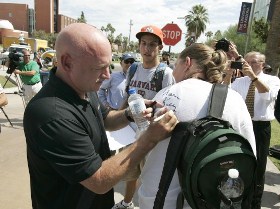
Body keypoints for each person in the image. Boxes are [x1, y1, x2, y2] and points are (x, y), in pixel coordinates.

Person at [23, 23, 178, 209]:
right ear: (67, 63)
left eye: (109, 66)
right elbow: (99, 181)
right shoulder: (51, 114)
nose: (107, 76)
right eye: (99, 68)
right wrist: (149, 139)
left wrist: (130, 113)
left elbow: (105, 119)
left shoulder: (84, 87)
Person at [138, 43, 256, 209]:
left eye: (176, 65)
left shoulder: (165, 95)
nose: (173, 71)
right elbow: (250, 155)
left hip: (160, 200)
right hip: (212, 201)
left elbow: (144, 151)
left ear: (187, 62)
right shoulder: (235, 100)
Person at [112, 25, 175, 209]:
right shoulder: (133, 69)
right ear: (139, 46)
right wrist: (118, 120)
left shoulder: (165, 73)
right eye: (144, 44)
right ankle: (127, 203)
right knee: (130, 173)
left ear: (160, 47)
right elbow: (126, 98)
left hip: (152, 135)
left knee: (150, 176)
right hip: (130, 133)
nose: (147, 49)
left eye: (152, 44)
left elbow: (170, 107)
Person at [224, 51, 280, 209]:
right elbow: (225, 93)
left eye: (253, 62)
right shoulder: (239, 81)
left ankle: (255, 203)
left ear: (262, 64)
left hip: (260, 127)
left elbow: (268, 95)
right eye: (245, 62)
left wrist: (253, 78)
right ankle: (237, 197)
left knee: (259, 165)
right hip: (240, 125)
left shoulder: (272, 79)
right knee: (238, 161)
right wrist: (228, 75)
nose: (248, 64)